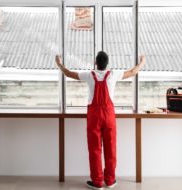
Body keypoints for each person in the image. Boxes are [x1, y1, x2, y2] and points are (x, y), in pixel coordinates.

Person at [55, 51, 145, 190]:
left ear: (95, 62)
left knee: (95, 149)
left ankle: (97, 182)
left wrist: (59, 63)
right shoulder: (113, 75)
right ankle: (110, 181)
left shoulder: (89, 75)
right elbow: (132, 72)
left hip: (94, 116)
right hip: (109, 116)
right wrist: (142, 62)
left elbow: (68, 73)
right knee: (111, 147)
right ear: (107, 63)